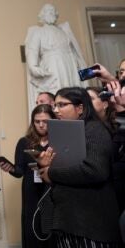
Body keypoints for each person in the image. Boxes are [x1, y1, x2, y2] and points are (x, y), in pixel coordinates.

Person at [38, 87, 121, 247]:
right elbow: (67, 171)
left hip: (91, 225)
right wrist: (47, 165)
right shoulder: (68, 132)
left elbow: (95, 170)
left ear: (80, 108)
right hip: (69, 221)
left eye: (62, 105)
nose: (56, 110)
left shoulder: (94, 130)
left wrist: (52, 172)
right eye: (55, 105)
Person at [0, 104, 55, 248]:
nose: (41, 125)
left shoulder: (58, 141)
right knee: (32, 228)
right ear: (33, 122)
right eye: (37, 121)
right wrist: (10, 168)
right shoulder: (24, 142)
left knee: (51, 228)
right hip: (31, 190)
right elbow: (19, 172)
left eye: (45, 121)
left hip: (52, 188)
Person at [25, 3, 87, 114]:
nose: (51, 13)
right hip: (52, 67)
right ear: (42, 15)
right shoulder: (38, 32)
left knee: (71, 94)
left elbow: (73, 51)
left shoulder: (64, 31)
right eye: (48, 11)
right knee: (57, 95)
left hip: (68, 66)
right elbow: (32, 51)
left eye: (53, 11)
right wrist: (34, 67)